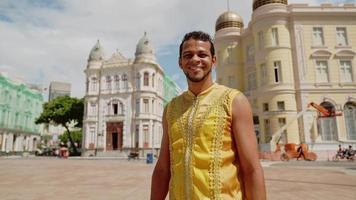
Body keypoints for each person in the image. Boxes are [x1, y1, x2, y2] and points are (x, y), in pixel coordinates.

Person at [151, 31, 266, 200]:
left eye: (202, 54)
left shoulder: (234, 101)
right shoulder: (171, 109)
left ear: (213, 61)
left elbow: (252, 169)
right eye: (188, 55)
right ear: (180, 63)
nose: (195, 60)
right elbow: (163, 168)